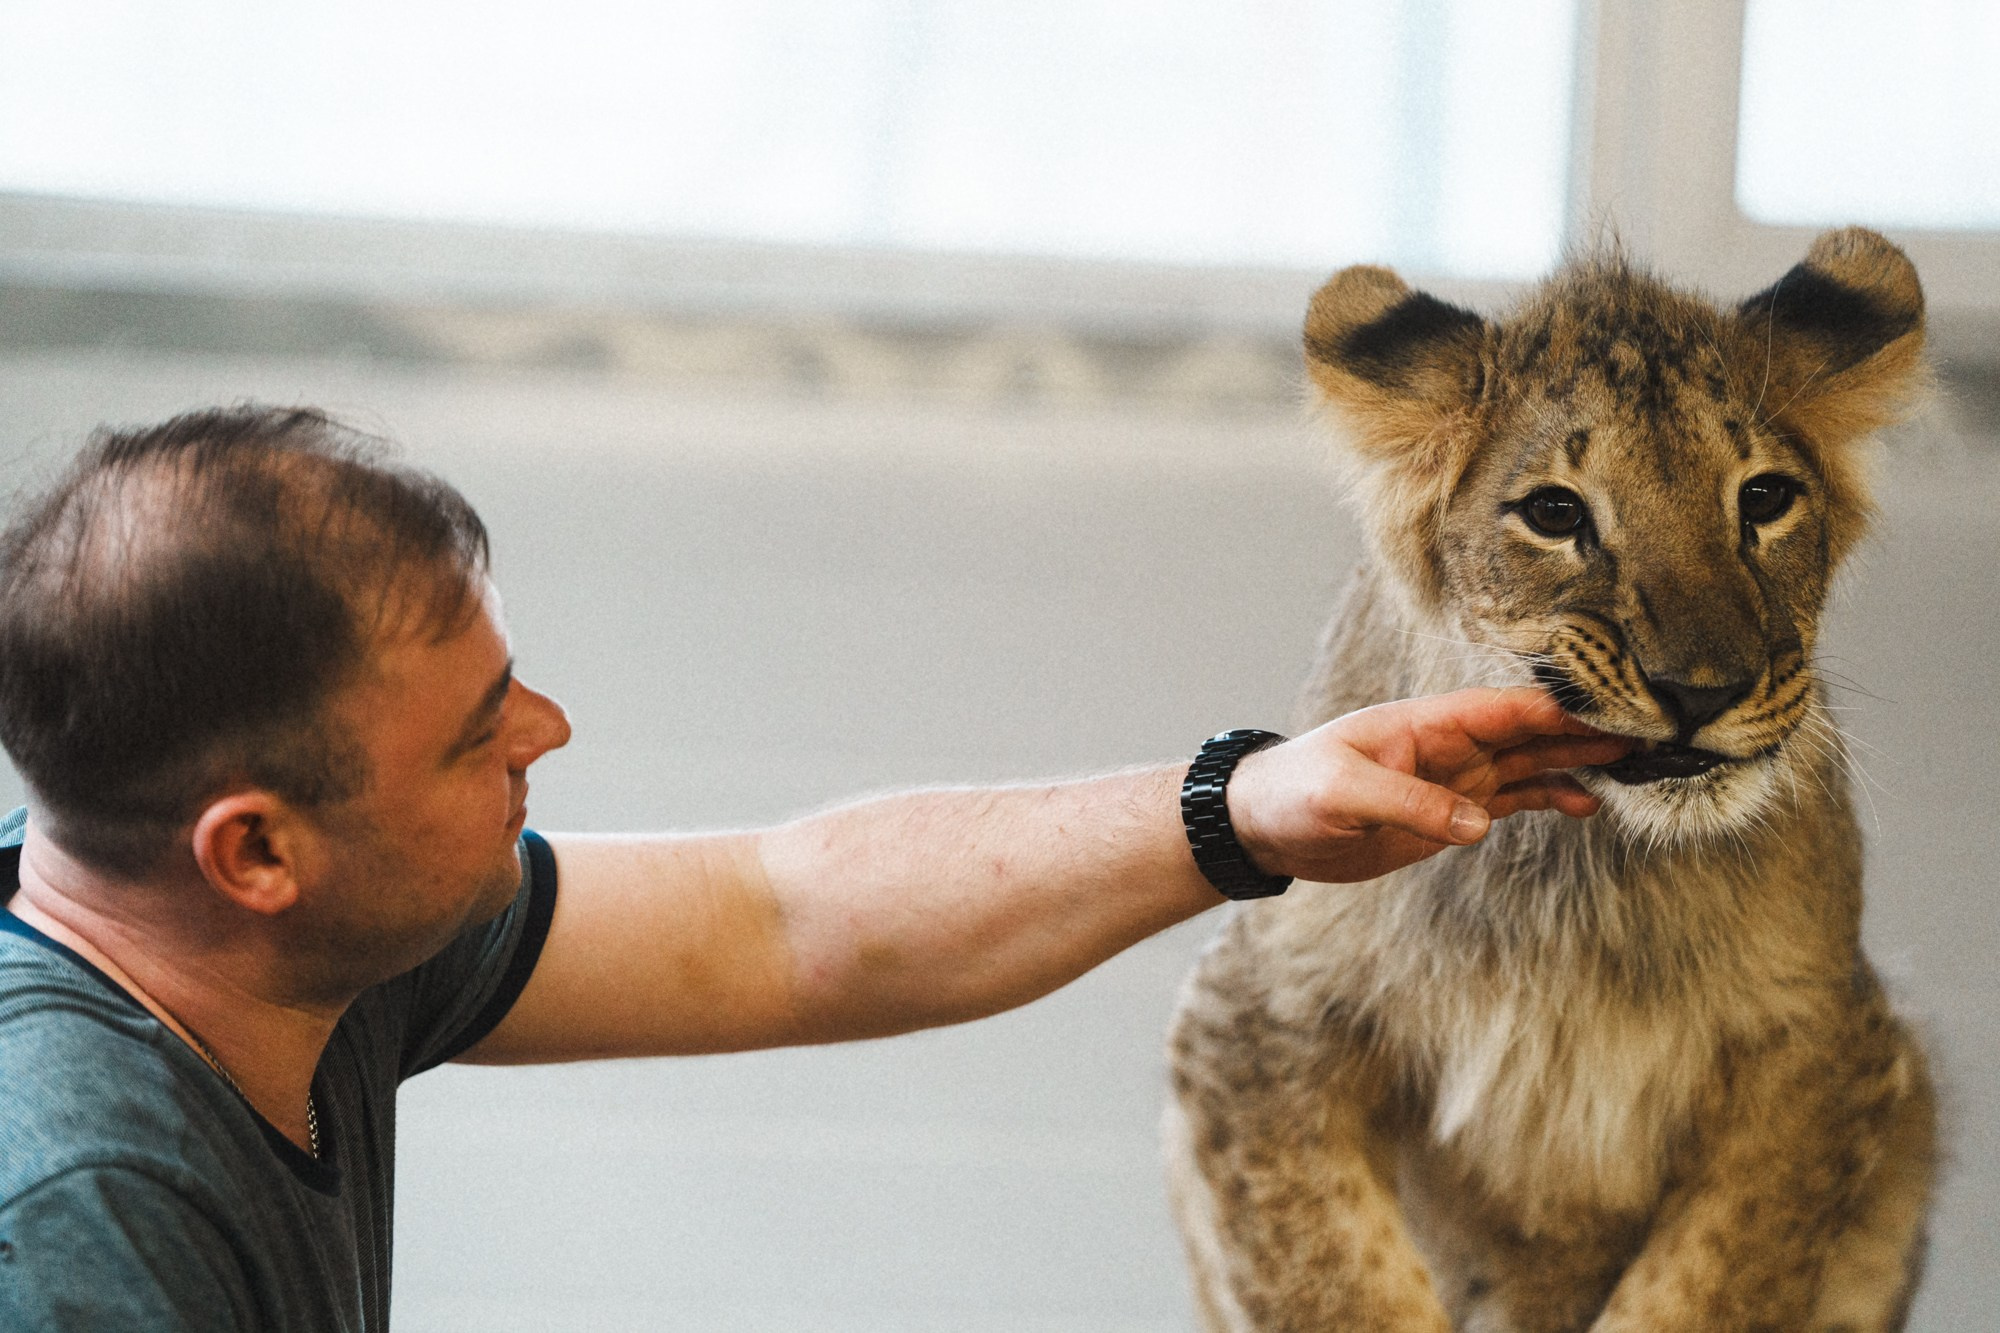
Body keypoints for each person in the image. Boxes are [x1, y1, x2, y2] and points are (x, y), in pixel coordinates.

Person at [0, 405, 1627, 1329]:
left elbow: (790, 919)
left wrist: (1244, 809)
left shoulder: (266, 939)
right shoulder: (82, 1220)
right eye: (476, 730)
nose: (550, 732)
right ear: (258, 849)